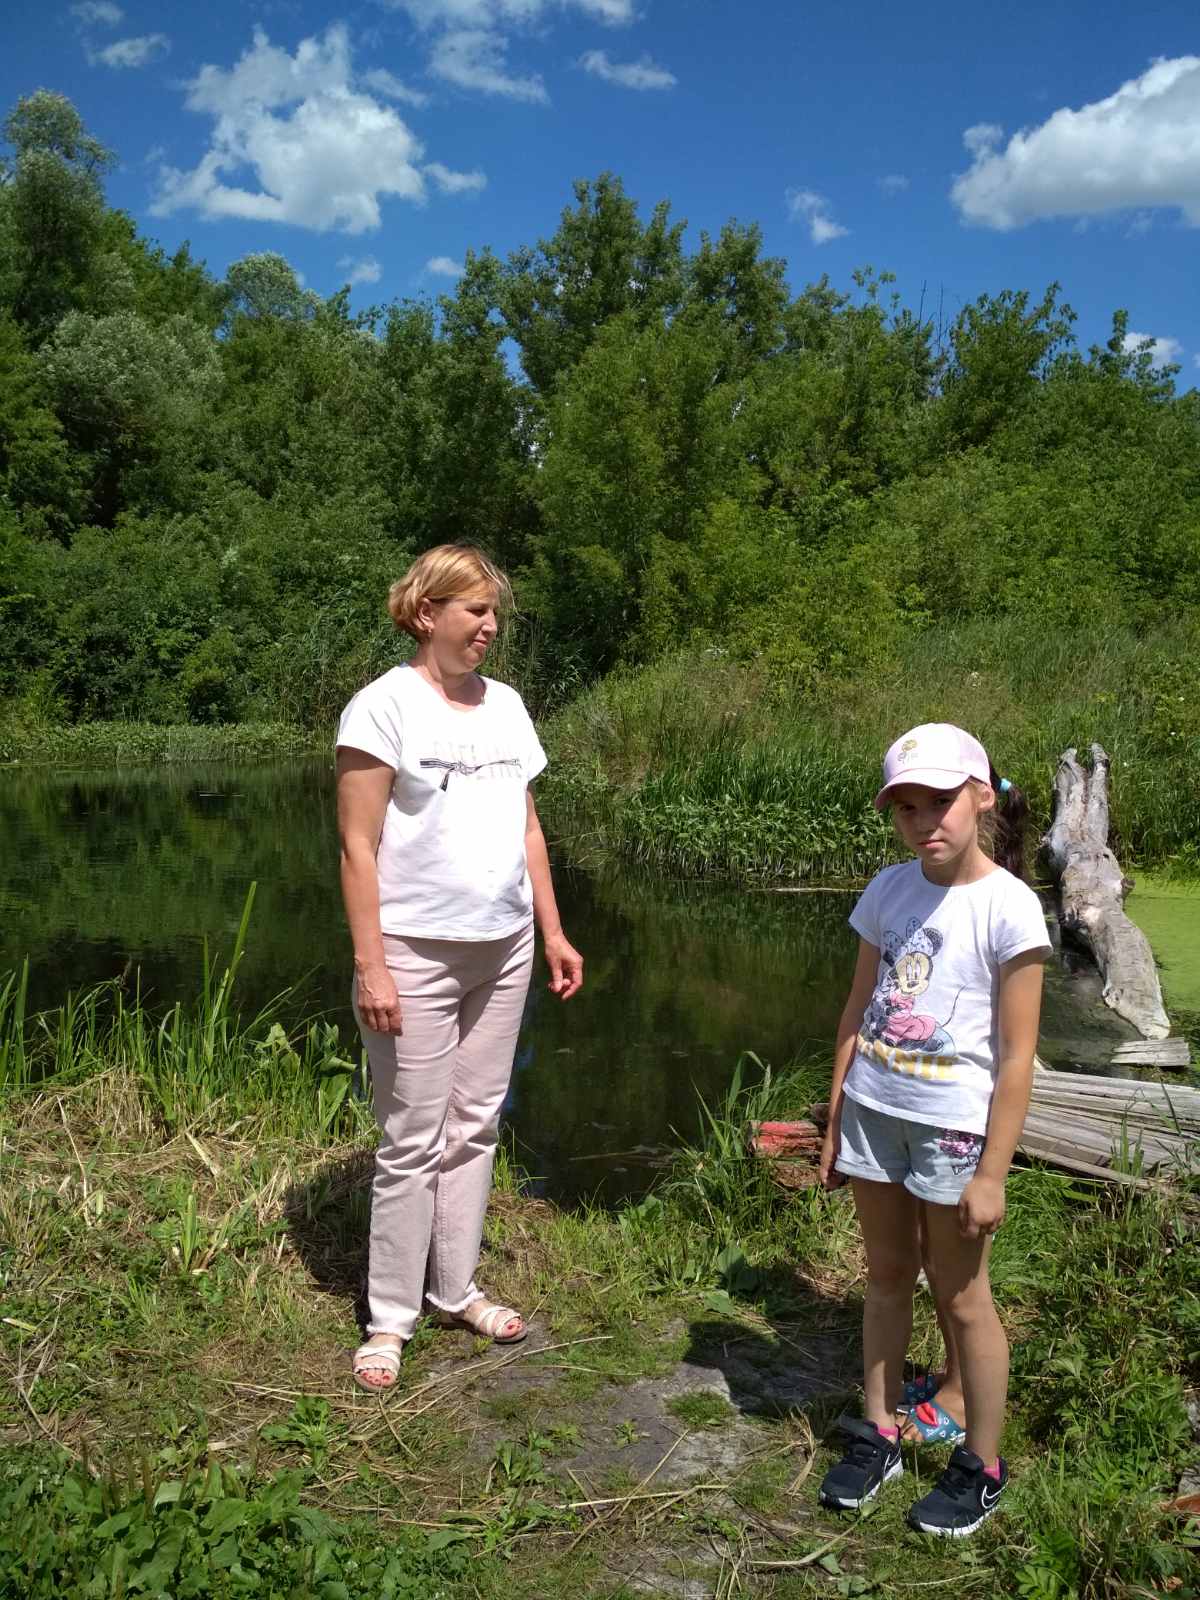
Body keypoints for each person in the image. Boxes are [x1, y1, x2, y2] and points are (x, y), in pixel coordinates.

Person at [336, 544, 583, 1393]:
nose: (488, 626)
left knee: (475, 1123)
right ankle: (389, 1321)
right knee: (411, 1138)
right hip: (414, 950)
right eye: (473, 610)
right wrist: (372, 966)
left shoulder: (508, 706)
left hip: (505, 946)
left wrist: (552, 931)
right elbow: (357, 847)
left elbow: (527, 832)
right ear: (425, 612)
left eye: (493, 614)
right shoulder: (382, 708)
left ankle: (455, 1288)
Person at [817, 723, 1050, 1537]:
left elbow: (1018, 1057)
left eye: (942, 802)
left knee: (962, 1295)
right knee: (884, 1273)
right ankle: (879, 1426)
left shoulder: (1009, 906)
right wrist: (838, 1105)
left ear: (982, 797)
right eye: (907, 807)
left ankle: (981, 1464)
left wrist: (993, 1170)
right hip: (877, 1116)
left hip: (954, 1132)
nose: (926, 823)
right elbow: (858, 1006)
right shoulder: (888, 891)